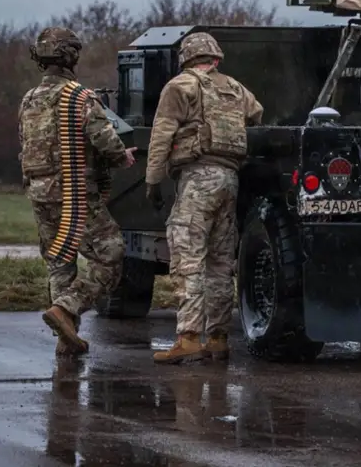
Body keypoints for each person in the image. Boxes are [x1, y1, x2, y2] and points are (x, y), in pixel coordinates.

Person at [18, 26, 138, 356]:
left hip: (39, 193)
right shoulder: (78, 96)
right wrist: (121, 156)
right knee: (110, 256)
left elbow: (25, 145)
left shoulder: (29, 99)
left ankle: (65, 339)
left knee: (60, 262)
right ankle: (67, 309)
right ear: (71, 55)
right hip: (74, 193)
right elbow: (104, 139)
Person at [145, 31, 264, 364]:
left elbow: (161, 135)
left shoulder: (180, 86)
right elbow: (257, 116)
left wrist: (153, 180)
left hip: (197, 177)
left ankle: (187, 337)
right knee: (221, 263)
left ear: (187, 57)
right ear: (216, 58)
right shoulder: (236, 88)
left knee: (188, 256)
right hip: (230, 179)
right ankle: (217, 337)